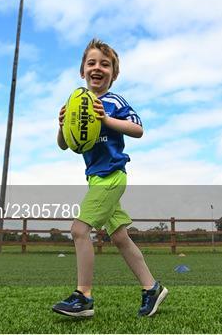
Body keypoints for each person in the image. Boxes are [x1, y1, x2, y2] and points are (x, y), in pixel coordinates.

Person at [52, 39, 168, 318]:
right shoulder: (76, 103)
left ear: (113, 74)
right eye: (91, 63)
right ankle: (152, 288)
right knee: (120, 238)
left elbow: (138, 129)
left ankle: (83, 296)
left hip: (112, 176)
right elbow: (64, 145)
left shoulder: (114, 102)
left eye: (105, 64)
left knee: (79, 230)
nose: (98, 67)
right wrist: (62, 125)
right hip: (96, 179)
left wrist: (107, 120)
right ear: (83, 71)